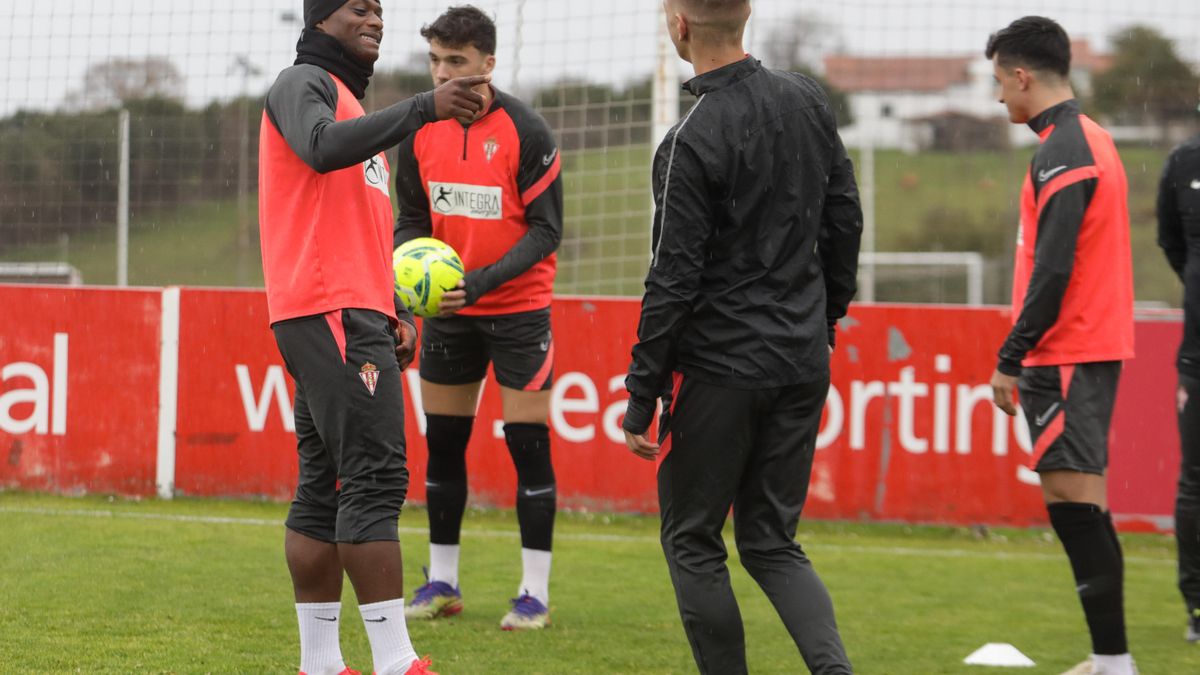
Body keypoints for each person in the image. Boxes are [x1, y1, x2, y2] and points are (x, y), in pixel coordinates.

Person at [621, 1, 861, 672]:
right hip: (801, 360)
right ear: (746, 15)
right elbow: (845, 217)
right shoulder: (806, 100)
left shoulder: (690, 141)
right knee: (771, 540)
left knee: (694, 539)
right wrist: (826, 314)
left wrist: (641, 396)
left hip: (720, 371)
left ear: (680, 24)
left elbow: (670, 280)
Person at [258, 1, 488, 673]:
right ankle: (396, 661)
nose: (376, 18)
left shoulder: (354, 111)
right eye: (359, 6)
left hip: (354, 311)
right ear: (322, 15)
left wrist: (394, 310)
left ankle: (321, 663)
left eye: (381, 9)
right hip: (328, 309)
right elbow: (320, 149)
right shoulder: (301, 83)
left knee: (324, 484)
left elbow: (356, 228)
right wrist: (425, 107)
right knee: (376, 475)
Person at [392, 5, 564, 631]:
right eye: (436, 62)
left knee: (528, 449)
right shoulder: (418, 129)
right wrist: (409, 267)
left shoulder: (527, 130)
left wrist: (479, 282)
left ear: (488, 64)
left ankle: (534, 594)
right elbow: (410, 218)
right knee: (444, 447)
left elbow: (548, 232)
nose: (444, 75)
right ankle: (442, 582)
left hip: (518, 311)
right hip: (448, 316)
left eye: (456, 63)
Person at [985, 16, 1137, 675]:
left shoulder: (1065, 150)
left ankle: (1113, 663)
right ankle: (1110, 659)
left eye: (999, 82)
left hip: (1065, 351)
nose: (998, 98)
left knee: (1075, 508)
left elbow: (1054, 270)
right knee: (1084, 508)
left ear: (1023, 76)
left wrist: (1009, 355)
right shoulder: (1089, 138)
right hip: (1083, 347)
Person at [1157, 128, 1200, 643]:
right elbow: (1171, 243)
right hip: (1197, 356)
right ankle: (1197, 605)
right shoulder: (1183, 161)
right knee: (1194, 483)